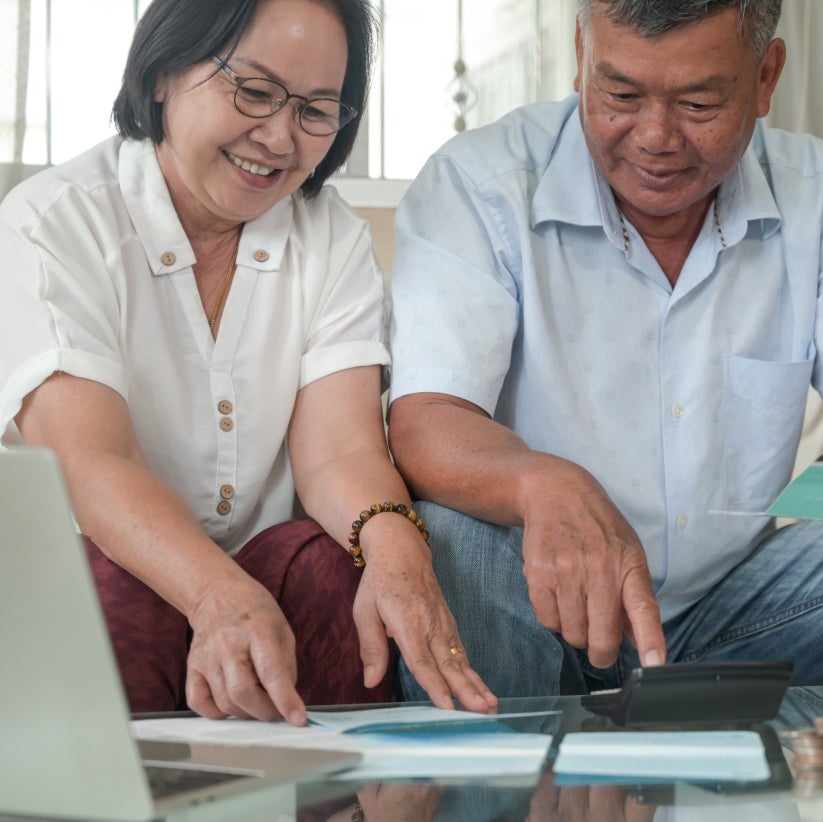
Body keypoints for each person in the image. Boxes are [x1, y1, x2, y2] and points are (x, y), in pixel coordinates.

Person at [386, 0, 823, 700]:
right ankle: (494, 800)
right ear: (581, 56)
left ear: (766, 76)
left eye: (698, 103)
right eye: (621, 94)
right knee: (453, 536)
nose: (656, 137)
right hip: (539, 607)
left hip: (738, 617)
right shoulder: (478, 185)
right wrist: (544, 484)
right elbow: (427, 418)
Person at [0, 0, 496, 725]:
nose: (279, 137)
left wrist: (396, 547)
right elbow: (93, 464)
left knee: (340, 570)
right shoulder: (50, 224)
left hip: (265, 581)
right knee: (116, 597)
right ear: (166, 70)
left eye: (317, 110)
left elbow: (339, 453)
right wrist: (216, 596)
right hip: (96, 575)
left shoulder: (331, 240)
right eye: (255, 91)